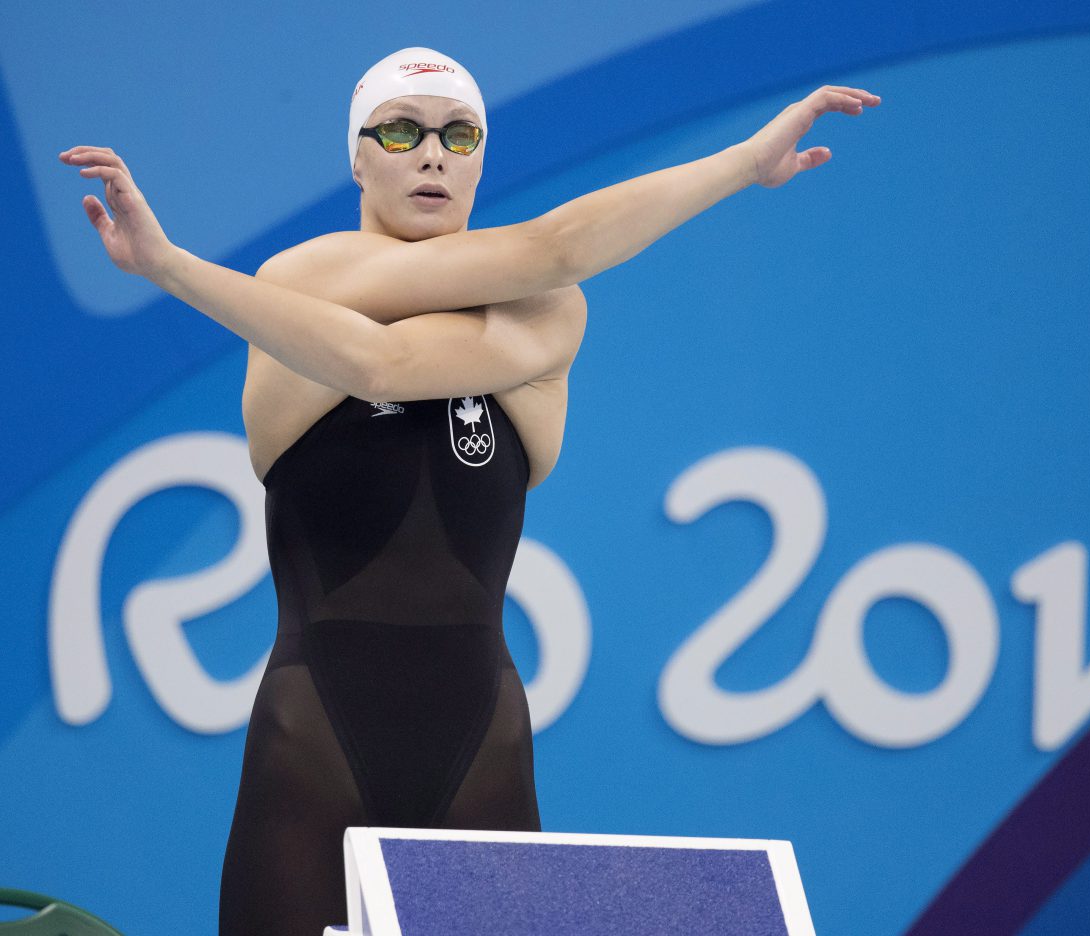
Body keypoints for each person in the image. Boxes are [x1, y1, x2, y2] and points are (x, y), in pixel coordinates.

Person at [59, 45, 879, 936]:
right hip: (313, 738)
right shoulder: (299, 280)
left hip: (480, 740)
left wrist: (746, 163)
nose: (432, 155)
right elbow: (378, 356)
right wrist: (169, 266)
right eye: (402, 130)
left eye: (460, 134)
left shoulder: (551, 309)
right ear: (357, 156)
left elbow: (511, 280)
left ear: (484, 154)